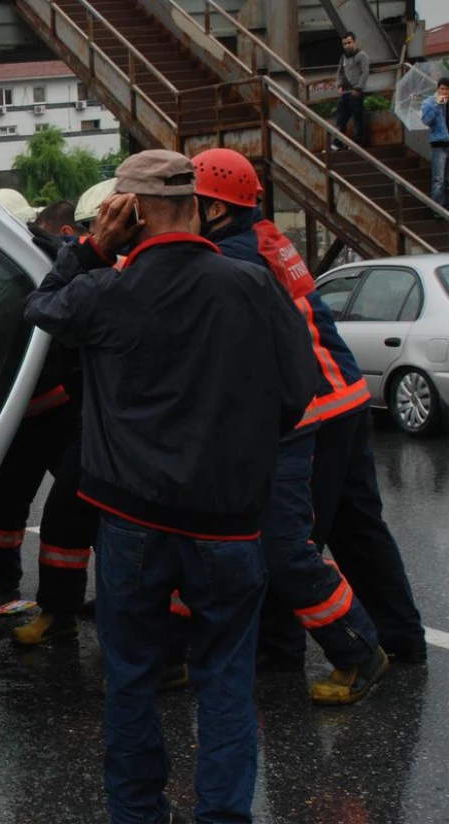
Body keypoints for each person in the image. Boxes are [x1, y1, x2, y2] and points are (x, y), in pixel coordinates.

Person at [26, 149, 318, 824]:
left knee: (132, 678)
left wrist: (93, 250)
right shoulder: (250, 283)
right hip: (228, 522)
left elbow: (40, 307)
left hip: (130, 522)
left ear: (126, 212)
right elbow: (296, 390)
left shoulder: (105, 292)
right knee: (224, 679)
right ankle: (222, 816)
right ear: (194, 203)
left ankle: (136, 813)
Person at [192, 147, 421, 683]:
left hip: (313, 408)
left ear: (217, 209)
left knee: (290, 539)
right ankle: (402, 636)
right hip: (346, 397)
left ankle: (294, 652)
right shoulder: (264, 237)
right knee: (359, 529)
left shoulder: (235, 258)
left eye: (193, 203)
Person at [0, 192, 99, 649]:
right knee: (6, 495)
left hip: (62, 409)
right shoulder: (0, 271)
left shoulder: (53, 267)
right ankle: (3, 576)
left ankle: (80, 605)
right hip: (24, 412)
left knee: (73, 512)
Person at [334, 31, 370, 149]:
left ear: (354, 42)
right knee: (341, 117)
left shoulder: (362, 55)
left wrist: (358, 88)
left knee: (357, 116)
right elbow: (340, 72)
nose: (347, 45)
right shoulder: (343, 57)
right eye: (344, 44)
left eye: (349, 42)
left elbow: (365, 73)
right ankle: (338, 142)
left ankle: (357, 143)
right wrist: (340, 85)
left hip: (356, 91)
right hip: (346, 91)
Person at [421, 77, 449, 208]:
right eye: (442, 88)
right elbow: (426, 121)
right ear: (437, 89)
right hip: (439, 144)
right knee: (439, 178)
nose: (444, 91)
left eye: (447, 89)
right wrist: (437, 105)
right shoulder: (429, 103)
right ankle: (437, 208)